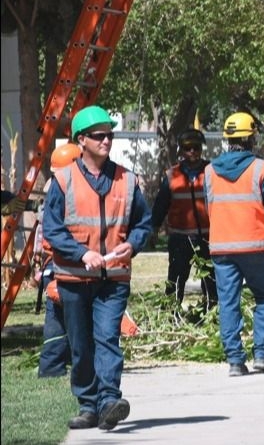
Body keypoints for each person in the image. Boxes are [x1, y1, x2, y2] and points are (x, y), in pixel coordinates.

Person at [42, 105, 152, 431]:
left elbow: (143, 223)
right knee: (81, 344)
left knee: (107, 338)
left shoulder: (127, 180)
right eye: (99, 135)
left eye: (109, 134)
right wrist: (80, 253)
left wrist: (132, 243)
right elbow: (52, 230)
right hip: (74, 277)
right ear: (82, 140)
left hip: (113, 277)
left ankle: (108, 403)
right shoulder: (62, 181)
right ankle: (88, 405)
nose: (106, 140)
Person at [204, 112, 264, 377]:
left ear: (228, 139)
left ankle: (235, 362)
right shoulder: (261, 168)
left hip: (222, 247)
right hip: (255, 245)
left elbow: (210, 206)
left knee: (228, 302)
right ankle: (262, 354)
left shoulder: (209, 171)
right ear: (252, 138)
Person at [152, 128, 217, 310]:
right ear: (181, 150)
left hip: (208, 238)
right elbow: (160, 205)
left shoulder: (212, 172)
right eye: (188, 148)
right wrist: (154, 228)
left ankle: (211, 314)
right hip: (180, 239)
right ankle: (170, 315)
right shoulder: (172, 175)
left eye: (196, 148)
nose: (192, 152)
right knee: (176, 280)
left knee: (211, 281)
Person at [35, 142, 83, 378]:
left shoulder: (54, 189)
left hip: (53, 264)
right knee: (61, 318)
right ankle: (53, 365)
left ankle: (56, 364)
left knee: (62, 318)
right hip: (59, 264)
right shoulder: (63, 194)